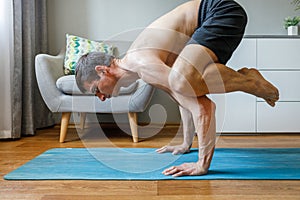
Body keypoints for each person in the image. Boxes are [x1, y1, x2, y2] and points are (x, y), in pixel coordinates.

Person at [75, 0, 279, 177]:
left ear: (102, 71)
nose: (101, 97)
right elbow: (182, 99)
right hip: (216, 17)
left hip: (219, 11)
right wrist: (185, 143)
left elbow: (203, 108)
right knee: (182, 82)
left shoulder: (142, 65)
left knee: (182, 81)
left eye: (96, 90)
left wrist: (202, 164)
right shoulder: (142, 67)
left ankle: (249, 82)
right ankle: (248, 79)